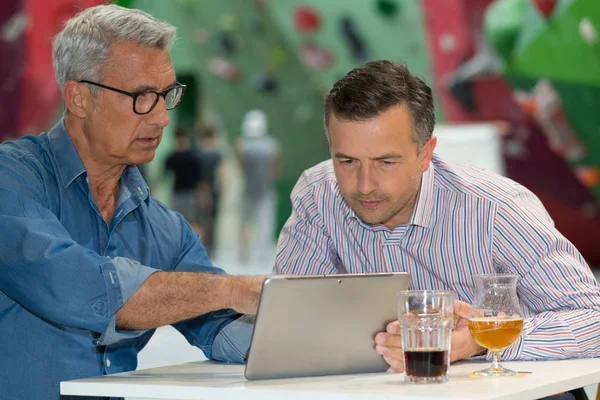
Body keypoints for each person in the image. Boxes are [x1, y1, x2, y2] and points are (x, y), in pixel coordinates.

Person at [274, 60, 600, 396]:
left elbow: (593, 320)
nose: (365, 185)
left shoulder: (496, 208)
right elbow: (290, 326)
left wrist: (477, 338)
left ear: (426, 152)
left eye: (386, 162)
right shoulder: (318, 196)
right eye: (346, 162)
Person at [0, 5, 262, 400]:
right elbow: (79, 287)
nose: (162, 119)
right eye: (142, 97)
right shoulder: (12, 181)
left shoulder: (165, 229)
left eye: (166, 95)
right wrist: (228, 289)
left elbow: (221, 331)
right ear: (79, 98)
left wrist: (317, 333)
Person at [236, 110, 280, 262]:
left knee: (245, 224)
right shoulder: (272, 145)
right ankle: (262, 254)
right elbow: (274, 171)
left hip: (248, 190)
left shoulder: (242, 144)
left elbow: (242, 166)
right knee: (265, 225)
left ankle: (244, 254)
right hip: (266, 190)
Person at [165, 127, 205, 234]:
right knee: (177, 222)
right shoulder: (172, 157)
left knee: (193, 221)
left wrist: (201, 195)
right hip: (178, 192)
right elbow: (164, 174)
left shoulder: (194, 156)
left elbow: (200, 179)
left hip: (190, 193)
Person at [195, 125, 224, 256]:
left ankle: (200, 246)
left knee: (199, 219)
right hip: (213, 190)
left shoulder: (197, 153)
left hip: (198, 190)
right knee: (212, 220)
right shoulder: (216, 154)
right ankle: (211, 248)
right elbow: (220, 174)